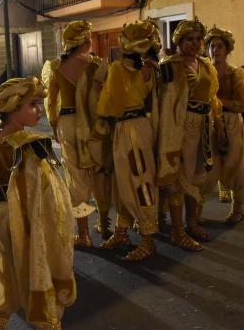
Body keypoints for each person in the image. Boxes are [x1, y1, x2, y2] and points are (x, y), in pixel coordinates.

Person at [0, 77, 76, 330]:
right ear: (13, 107)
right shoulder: (27, 146)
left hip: (1, 216)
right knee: (38, 269)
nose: (40, 110)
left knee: (7, 273)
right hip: (24, 219)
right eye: (33, 104)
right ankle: (48, 322)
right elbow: (44, 195)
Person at [42, 20, 112, 247]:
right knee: (99, 173)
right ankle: (103, 224)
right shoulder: (97, 66)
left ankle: (83, 235)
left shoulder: (55, 67)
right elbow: (105, 99)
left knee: (76, 178)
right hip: (93, 125)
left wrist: (54, 126)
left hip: (67, 124)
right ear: (87, 41)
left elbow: (50, 102)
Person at [94, 20, 160, 260]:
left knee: (138, 181)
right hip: (140, 127)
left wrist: (99, 82)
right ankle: (122, 230)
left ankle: (147, 238)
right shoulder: (151, 68)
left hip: (128, 130)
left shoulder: (118, 69)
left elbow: (110, 106)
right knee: (126, 182)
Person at [157, 18, 223, 251]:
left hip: (204, 126)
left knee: (198, 175)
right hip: (180, 127)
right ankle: (178, 231)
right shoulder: (169, 66)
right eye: (189, 40)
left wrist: (219, 124)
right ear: (178, 41)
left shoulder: (206, 65)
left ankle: (192, 223)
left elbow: (212, 98)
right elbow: (163, 102)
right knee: (177, 177)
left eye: (198, 39)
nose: (195, 44)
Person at [205, 25, 244, 222]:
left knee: (235, 165)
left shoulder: (236, 74)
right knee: (209, 164)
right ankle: (196, 212)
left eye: (219, 46)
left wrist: (218, 102)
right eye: (212, 46)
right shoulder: (203, 72)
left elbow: (243, 102)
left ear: (227, 49)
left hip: (231, 122)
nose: (215, 50)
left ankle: (237, 209)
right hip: (208, 123)